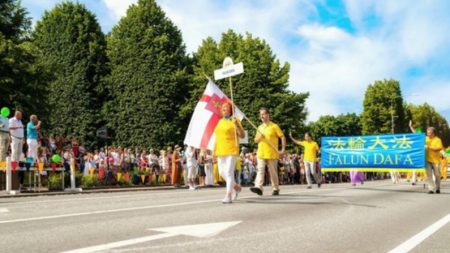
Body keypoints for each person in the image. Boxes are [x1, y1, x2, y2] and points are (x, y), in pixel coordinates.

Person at [214, 101, 245, 203]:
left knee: (228, 172)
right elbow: (217, 138)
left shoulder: (234, 120)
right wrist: (214, 151)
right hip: (220, 150)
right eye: (222, 107)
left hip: (231, 149)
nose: (223, 108)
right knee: (222, 172)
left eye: (226, 107)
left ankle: (228, 195)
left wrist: (237, 126)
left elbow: (242, 135)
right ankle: (236, 186)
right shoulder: (219, 121)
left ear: (230, 110)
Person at [250, 107, 286, 196]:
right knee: (260, 170)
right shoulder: (259, 127)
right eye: (260, 114)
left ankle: (275, 188)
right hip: (261, 152)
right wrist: (259, 137)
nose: (262, 116)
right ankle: (258, 187)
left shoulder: (274, 126)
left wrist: (283, 149)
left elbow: (282, 137)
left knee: (273, 172)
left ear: (268, 115)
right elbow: (255, 140)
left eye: (263, 114)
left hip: (272, 153)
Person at [410, 121, 444, 193]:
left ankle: (437, 187)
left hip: (436, 160)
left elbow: (439, 148)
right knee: (429, 175)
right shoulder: (425, 138)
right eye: (427, 132)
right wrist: (411, 127)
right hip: (427, 160)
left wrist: (429, 147)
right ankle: (431, 189)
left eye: (429, 133)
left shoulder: (438, 140)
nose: (427, 134)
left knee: (437, 175)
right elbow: (417, 135)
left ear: (433, 133)